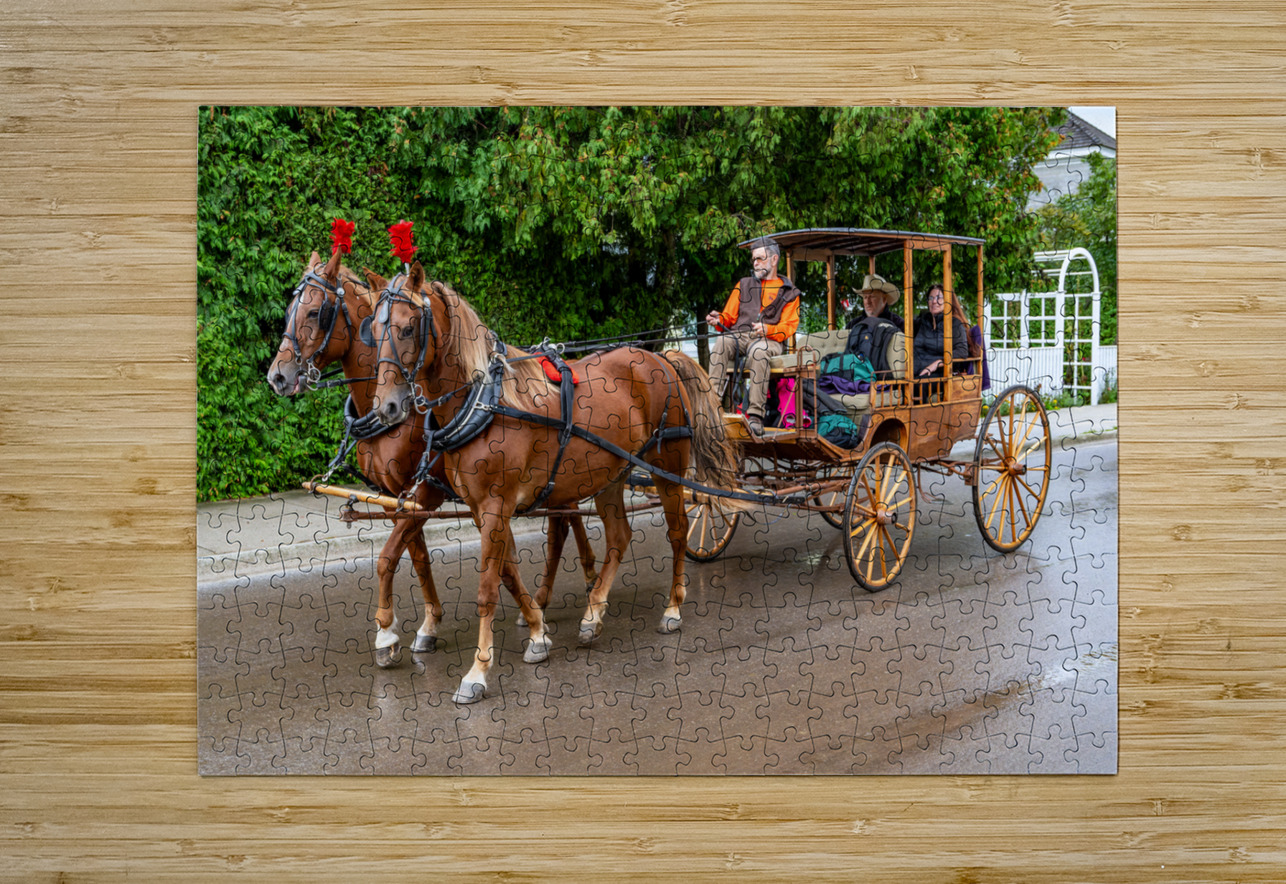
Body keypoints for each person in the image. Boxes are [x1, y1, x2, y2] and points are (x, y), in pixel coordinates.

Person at [705, 238, 801, 436]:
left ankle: (756, 416)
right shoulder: (744, 284)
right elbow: (728, 317)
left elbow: (789, 327)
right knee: (722, 342)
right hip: (740, 336)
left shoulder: (790, 292)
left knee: (758, 351)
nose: (755, 263)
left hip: (771, 341)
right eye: (753, 259)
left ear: (774, 260)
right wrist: (718, 319)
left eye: (759, 258)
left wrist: (769, 330)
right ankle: (711, 407)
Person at [913, 283, 972, 379]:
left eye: (939, 298)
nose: (934, 302)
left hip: (943, 374)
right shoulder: (923, 322)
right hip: (918, 370)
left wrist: (937, 363)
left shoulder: (955, 324)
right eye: (931, 298)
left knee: (916, 385)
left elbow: (962, 351)